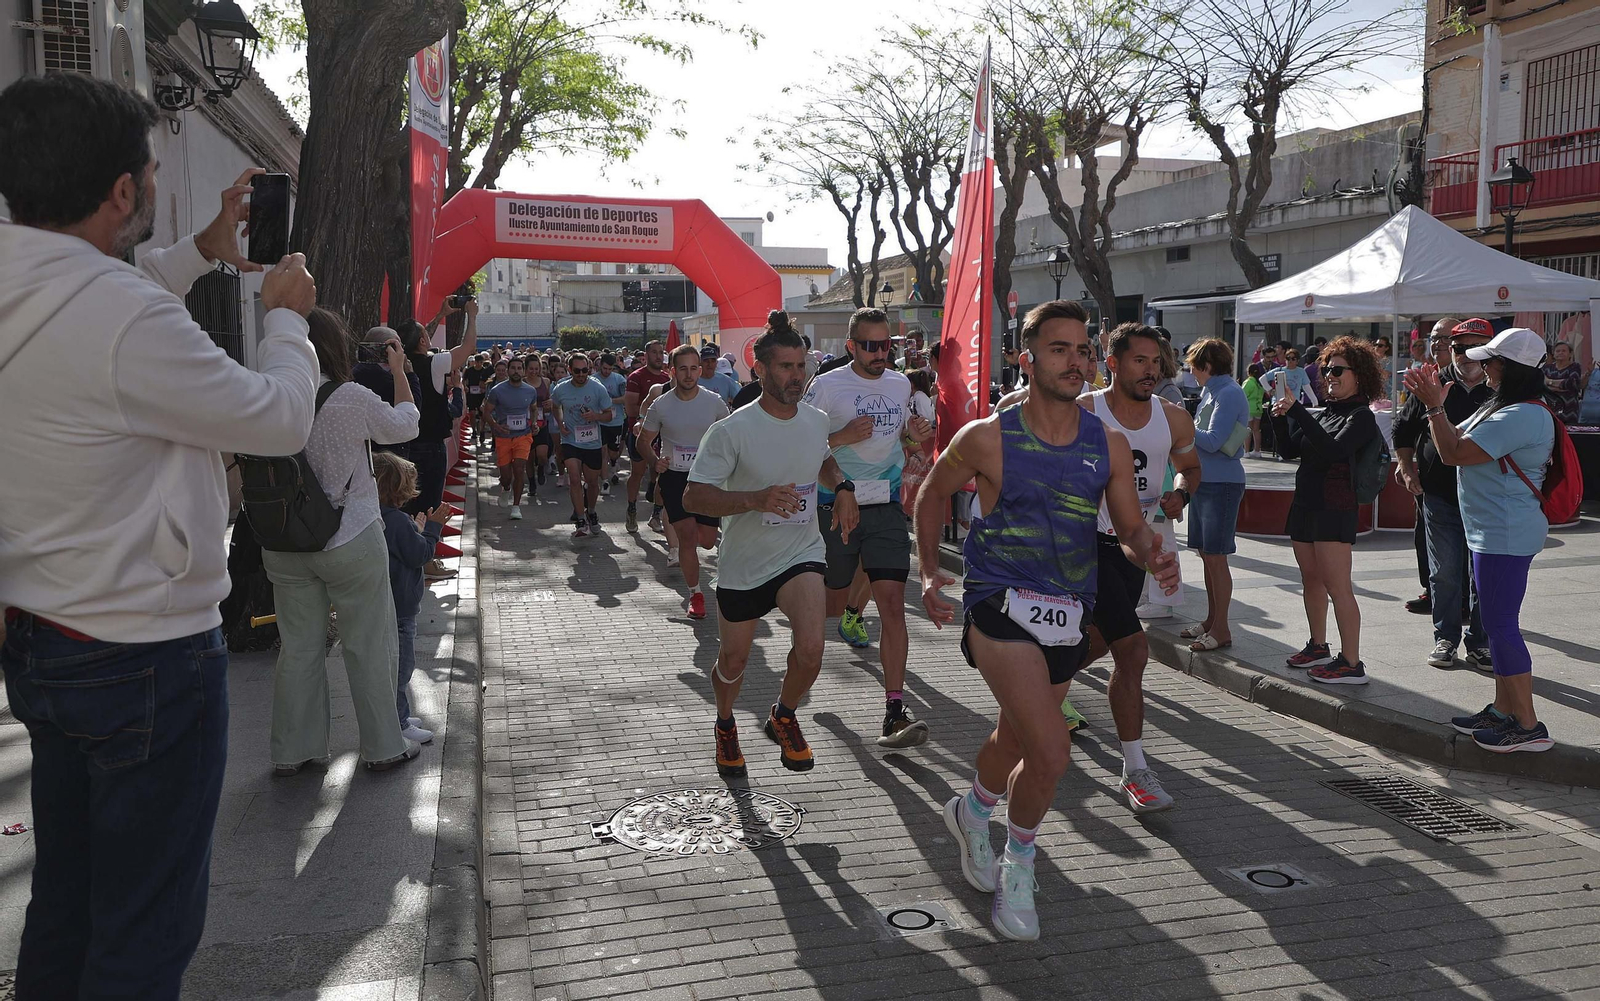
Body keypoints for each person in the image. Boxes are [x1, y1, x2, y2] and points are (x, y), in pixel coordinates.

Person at [0, 72, 317, 998]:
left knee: (66, 902)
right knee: (145, 923)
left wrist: (197, 253)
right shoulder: (127, 317)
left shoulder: (48, 286)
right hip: (144, 655)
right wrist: (286, 319)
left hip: (44, 639)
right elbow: (275, 419)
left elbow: (83, 302)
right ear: (123, 193)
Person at [915, 300, 1179, 941]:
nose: (1076, 360)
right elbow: (930, 494)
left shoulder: (1106, 444)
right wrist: (928, 573)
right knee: (1053, 749)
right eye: (1059, 348)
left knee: (1014, 742)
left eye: (1084, 349)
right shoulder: (988, 436)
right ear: (1025, 356)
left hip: (1068, 611)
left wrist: (1153, 553)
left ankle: (973, 810)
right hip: (998, 603)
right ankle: (1019, 865)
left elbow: (1127, 528)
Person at [684, 311, 859, 776]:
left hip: (801, 552)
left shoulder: (816, 419)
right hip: (744, 564)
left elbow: (821, 456)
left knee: (812, 648)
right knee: (734, 660)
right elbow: (695, 494)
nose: (796, 377)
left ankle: (783, 714)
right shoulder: (731, 430)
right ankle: (724, 723)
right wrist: (755, 498)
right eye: (785, 367)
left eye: (801, 367)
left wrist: (842, 487)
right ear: (759, 369)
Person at [263, 308, 422, 774]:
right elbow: (405, 425)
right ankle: (382, 746)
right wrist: (398, 372)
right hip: (349, 534)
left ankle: (293, 750)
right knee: (369, 644)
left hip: (285, 541)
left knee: (298, 648)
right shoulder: (350, 396)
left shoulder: (268, 394)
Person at [1405, 328, 1556, 752]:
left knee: (1501, 627)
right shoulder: (1503, 405)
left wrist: (1434, 405)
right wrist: (1435, 405)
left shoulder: (1523, 414)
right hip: (1492, 531)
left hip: (1505, 534)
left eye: (1491, 360)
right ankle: (1504, 709)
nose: (1483, 366)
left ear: (1513, 368)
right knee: (1495, 622)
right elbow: (1451, 441)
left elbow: (1453, 452)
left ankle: (1527, 725)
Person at [1077, 323, 1199, 810]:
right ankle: (1136, 770)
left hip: (1133, 546)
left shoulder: (1172, 418)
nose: (1151, 370)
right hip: (1082, 545)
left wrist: (1181, 493)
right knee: (1133, 650)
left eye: (1156, 361)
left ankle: (1039, 685)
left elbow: (1192, 469)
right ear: (1112, 362)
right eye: (1139, 360)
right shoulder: (1086, 410)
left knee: (1101, 641)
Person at [802, 307, 936, 748]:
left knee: (893, 606)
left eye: (887, 346)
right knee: (830, 607)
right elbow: (800, 444)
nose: (882, 354)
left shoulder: (900, 386)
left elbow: (902, 439)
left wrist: (914, 436)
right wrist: (842, 437)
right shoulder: (826, 385)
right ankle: (800, 670)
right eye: (872, 346)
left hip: (884, 510)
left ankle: (894, 710)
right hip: (834, 503)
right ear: (851, 346)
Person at [1270, 336, 1382, 685]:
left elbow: (1334, 451)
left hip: (1335, 508)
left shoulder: (1362, 416)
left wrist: (1299, 411)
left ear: (1359, 375)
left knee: (1338, 586)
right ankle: (1318, 645)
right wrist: (1276, 415)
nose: (1329, 376)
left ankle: (1351, 662)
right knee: (1311, 581)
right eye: (1326, 369)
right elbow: (1289, 450)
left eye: (1338, 370)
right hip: (1306, 503)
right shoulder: (1329, 411)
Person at [1395, 317, 1494, 671]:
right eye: (1456, 348)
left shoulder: (1500, 388)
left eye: (1472, 348)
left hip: (1487, 499)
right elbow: (1402, 429)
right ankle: (1446, 638)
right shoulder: (1432, 382)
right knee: (1446, 572)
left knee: (1484, 575)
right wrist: (1406, 467)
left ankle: (1480, 642)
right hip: (1439, 494)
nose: (1462, 355)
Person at [637, 345, 729, 618]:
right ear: (672, 372)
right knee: (687, 538)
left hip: (708, 477)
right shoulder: (661, 404)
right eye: (683, 369)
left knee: (709, 541)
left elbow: (731, 439)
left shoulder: (714, 402)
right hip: (675, 477)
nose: (689, 375)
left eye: (694, 369)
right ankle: (695, 594)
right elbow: (643, 441)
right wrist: (655, 462)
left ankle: (698, 581)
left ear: (700, 370)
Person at [375, 451, 447, 745]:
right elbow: (419, 555)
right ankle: (399, 721)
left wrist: (416, 530)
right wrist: (433, 529)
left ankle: (400, 713)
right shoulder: (397, 521)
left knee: (394, 666)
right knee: (401, 668)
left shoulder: (382, 517)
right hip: (401, 607)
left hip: (385, 602)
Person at [1184, 338, 1248, 652]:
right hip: (1206, 480)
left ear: (1207, 365)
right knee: (1208, 555)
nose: (1191, 373)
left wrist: (1182, 423)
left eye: (1194, 366)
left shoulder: (1230, 393)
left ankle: (1221, 628)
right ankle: (1212, 620)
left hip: (1222, 483)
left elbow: (1212, 441)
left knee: (1216, 557)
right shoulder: (1214, 390)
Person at [550, 352, 615, 538]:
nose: (581, 374)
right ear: (569, 370)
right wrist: (560, 423)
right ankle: (580, 519)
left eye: (584, 370)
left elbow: (610, 414)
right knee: (575, 478)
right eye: (577, 370)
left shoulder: (598, 389)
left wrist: (596, 416)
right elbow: (555, 406)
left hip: (592, 442)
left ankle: (591, 511)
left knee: (592, 482)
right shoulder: (561, 389)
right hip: (570, 440)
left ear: (589, 369)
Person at [483, 356, 541, 519]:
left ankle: (516, 507)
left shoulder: (530, 390)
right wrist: (495, 426)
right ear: (508, 371)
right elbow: (486, 411)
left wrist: (534, 423)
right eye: (513, 368)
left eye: (519, 368)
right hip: (503, 437)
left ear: (523, 371)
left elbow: (534, 408)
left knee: (519, 469)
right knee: (506, 476)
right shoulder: (497, 390)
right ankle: (506, 488)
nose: (516, 371)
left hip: (523, 436)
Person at [625, 340, 672, 531]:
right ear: (646, 355)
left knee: (661, 473)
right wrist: (645, 420)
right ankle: (631, 508)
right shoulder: (636, 377)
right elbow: (631, 408)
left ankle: (656, 515)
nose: (658, 356)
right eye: (654, 352)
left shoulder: (667, 378)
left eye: (661, 352)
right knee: (637, 473)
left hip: (662, 435)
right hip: (640, 433)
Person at [596, 352, 629, 491]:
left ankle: (614, 463)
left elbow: (626, 398)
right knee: (603, 453)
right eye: (604, 369)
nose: (607, 372)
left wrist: (610, 401)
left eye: (610, 369)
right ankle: (605, 482)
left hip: (616, 421)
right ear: (599, 366)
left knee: (613, 453)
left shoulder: (619, 379)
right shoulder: (593, 380)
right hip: (599, 422)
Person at [1542, 340, 1583, 424]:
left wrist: (1550, 382)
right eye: (1558, 351)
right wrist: (1561, 385)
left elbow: (1571, 384)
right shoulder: (1547, 368)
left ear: (1570, 354)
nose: (1560, 353)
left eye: (1564, 351)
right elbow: (1542, 386)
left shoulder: (1574, 367)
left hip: (1569, 410)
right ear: (1553, 353)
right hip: (1550, 409)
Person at [1243, 362, 1267, 457]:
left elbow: (1243, 394)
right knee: (1256, 430)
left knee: (1248, 429)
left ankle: (1246, 451)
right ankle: (1257, 451)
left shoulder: (1248, 382)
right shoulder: (1260, 383)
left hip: (1249, 408)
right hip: (1258, 408)